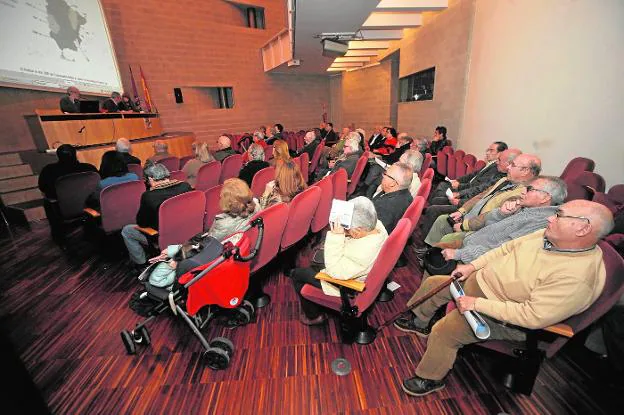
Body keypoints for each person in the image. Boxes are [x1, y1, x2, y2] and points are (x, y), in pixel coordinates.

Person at [395, 200, 614, 397]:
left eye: (559, 215)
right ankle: (419, 322)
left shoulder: (576, 277)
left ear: (583, 228)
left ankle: (430, 378)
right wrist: (473, 266)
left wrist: (476, 303)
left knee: (444, 331)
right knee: (433, 284)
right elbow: (506, 248)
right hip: (480, 284)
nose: (550, 218)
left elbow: (532, 316)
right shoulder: (549, 236)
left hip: (504, 315)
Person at [289, 197, 389, 325]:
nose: (343, 227)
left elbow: (334, 272)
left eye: (345, 226)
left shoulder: (362, 253)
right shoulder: (376, 225)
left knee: (297, 274)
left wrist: (336, 236)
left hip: (344, 284)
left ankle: (313, 316)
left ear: (357, 231)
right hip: (349, 266)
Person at [423, 152, 541, 247]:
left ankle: (437, 263)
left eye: (513, 165)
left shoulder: (523, 193)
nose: (508, 167)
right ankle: (428, 252)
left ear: (525, 171)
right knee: (442, 220)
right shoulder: (505, 180)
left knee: (448, 238)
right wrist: (462, 211)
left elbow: (492, 217)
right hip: (469, 218)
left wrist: (464, 225)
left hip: (480, 230)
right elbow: (481, 195)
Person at [438, 176, 567, 262]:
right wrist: (501, 214)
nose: (523, 192)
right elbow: (490, 227)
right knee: (437, 249)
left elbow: (501, 250)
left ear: (545, 198)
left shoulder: (540, 223)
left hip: (476, 256)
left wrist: (460, 254)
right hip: (472, 242)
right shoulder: (526, 208)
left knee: (434, 273)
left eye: (529, 189)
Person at [121, 163, 192, 270]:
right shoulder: (185, 186)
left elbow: (142, 223)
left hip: (164, 236)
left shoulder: (149, 196)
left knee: (127, 230)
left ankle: (141, 265)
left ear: (150, 179)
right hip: (189, 229)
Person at [38, 144, 98, 245]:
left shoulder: (49, 170)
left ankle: (58, 235)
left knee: (47, 201)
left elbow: (43, 188)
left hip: (64, 210)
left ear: (57, 156)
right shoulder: (89, 168)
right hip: (91, 208)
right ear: (76, 154)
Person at [429, 141, 508, 206]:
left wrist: (459, 187)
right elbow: (472, 175)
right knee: (442, 186)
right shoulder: (490, 164)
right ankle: (428, 206)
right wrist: (457, 180)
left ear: (500, 153)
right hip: (467, 187)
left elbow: (478, 187)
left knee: (440, 193)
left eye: (491, 150)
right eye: (488, 150)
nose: (487, 153)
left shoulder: (496, 169)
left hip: (468, 192)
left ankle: (428, 207)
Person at [371, 162, 414, 234]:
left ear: (392, 183)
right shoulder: (407, 194)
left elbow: (374, 232)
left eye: (385, 174)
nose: (383, 176)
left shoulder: (385, 206)